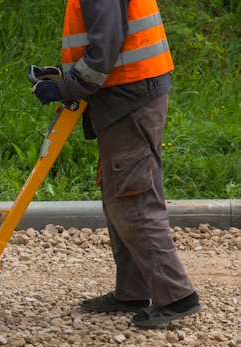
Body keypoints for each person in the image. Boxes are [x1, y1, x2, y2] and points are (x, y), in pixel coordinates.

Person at [31, 0, 201, 326]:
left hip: (130, 93)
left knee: (133, 197)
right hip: (127, 91)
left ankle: (176, 295)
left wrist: (66, 87)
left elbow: (105, 45)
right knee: (118, 193)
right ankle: (132, 290)